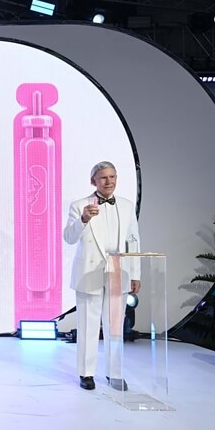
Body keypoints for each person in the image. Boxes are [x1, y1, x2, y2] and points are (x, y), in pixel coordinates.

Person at [63, 161, 140, 391]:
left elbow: (134, 240)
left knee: (115, 325)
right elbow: (69, 237)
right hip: (89, 272)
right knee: (88, 325)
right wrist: (83, 220)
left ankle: (114, 373)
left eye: (112, 176)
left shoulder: (126, 206)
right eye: (104, 177)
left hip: (118, 271)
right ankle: (86, 373)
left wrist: (135, 273)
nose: (109, 181)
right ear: (93, 181)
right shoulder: (80, 205)